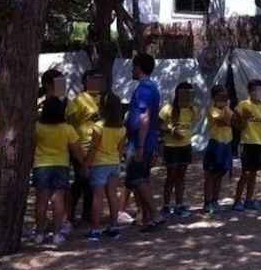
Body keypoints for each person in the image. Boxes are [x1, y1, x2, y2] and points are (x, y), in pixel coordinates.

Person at [31, 97, 85, 247]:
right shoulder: (68, 129)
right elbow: (76, 150)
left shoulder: (37, 127)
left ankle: (39, 234)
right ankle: (56, 233)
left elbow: (32, 144)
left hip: (41, 165)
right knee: (58, 200)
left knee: (41, 201)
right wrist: (83, 164)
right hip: (61, 165)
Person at [125, 53, 164, 233]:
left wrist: (140, 145)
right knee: (143, 178)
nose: (132, 69)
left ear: (139, 66)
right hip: (147, 141)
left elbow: (145, 118)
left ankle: (155, 215)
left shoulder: (144, 89)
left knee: (137, 178)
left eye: (133, 66)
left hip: (139, 142)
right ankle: (147, 218)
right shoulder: (151, 87)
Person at [84, 92, 125, 242]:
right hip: (114, 163)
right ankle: (114, 227)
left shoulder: (99, 126)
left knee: (98, 198)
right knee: (112, 196)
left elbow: (93, 148)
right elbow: (121, 150)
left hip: (100, 163)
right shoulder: (121, 128)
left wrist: (86, 164)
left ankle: (95, 229)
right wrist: (117, 161)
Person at [66, 69, 103, 224]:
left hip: (98, 145)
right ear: (85, 82)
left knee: (92, 182)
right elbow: (70, 122)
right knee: (81, 179)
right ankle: (70, 213)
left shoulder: (103, 98)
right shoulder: (78, 100)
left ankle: (87, 213)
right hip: (81, 145)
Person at [233, 79, 261, 211]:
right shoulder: (243, 104)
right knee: (245, 173)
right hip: (247, 143)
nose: (259, 92)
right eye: (256, 90)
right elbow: (237, 124)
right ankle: (237, 201)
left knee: (254, 174)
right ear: (250, 91)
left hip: (259, 143)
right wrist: (244, 118)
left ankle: (249, 199)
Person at [160, 81, 197, 219]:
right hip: (171, 146)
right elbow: (160, 125)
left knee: (181, 177)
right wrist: (172, 130)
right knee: (171, 176)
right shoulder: (168, 109)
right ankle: (166, 205)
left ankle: (179, 204)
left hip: (185, 146)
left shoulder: (192, 109)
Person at [203, 85, 234, 213]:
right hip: (216, 142)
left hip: (226, 142)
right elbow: (224, 121)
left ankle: (215, 200)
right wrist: (227, 107)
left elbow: (233, 120)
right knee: (210, 174)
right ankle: (207, 202)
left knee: (220, 174)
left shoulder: (228, 110)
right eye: (220, 95)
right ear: (214, 97)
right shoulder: (212, 109)